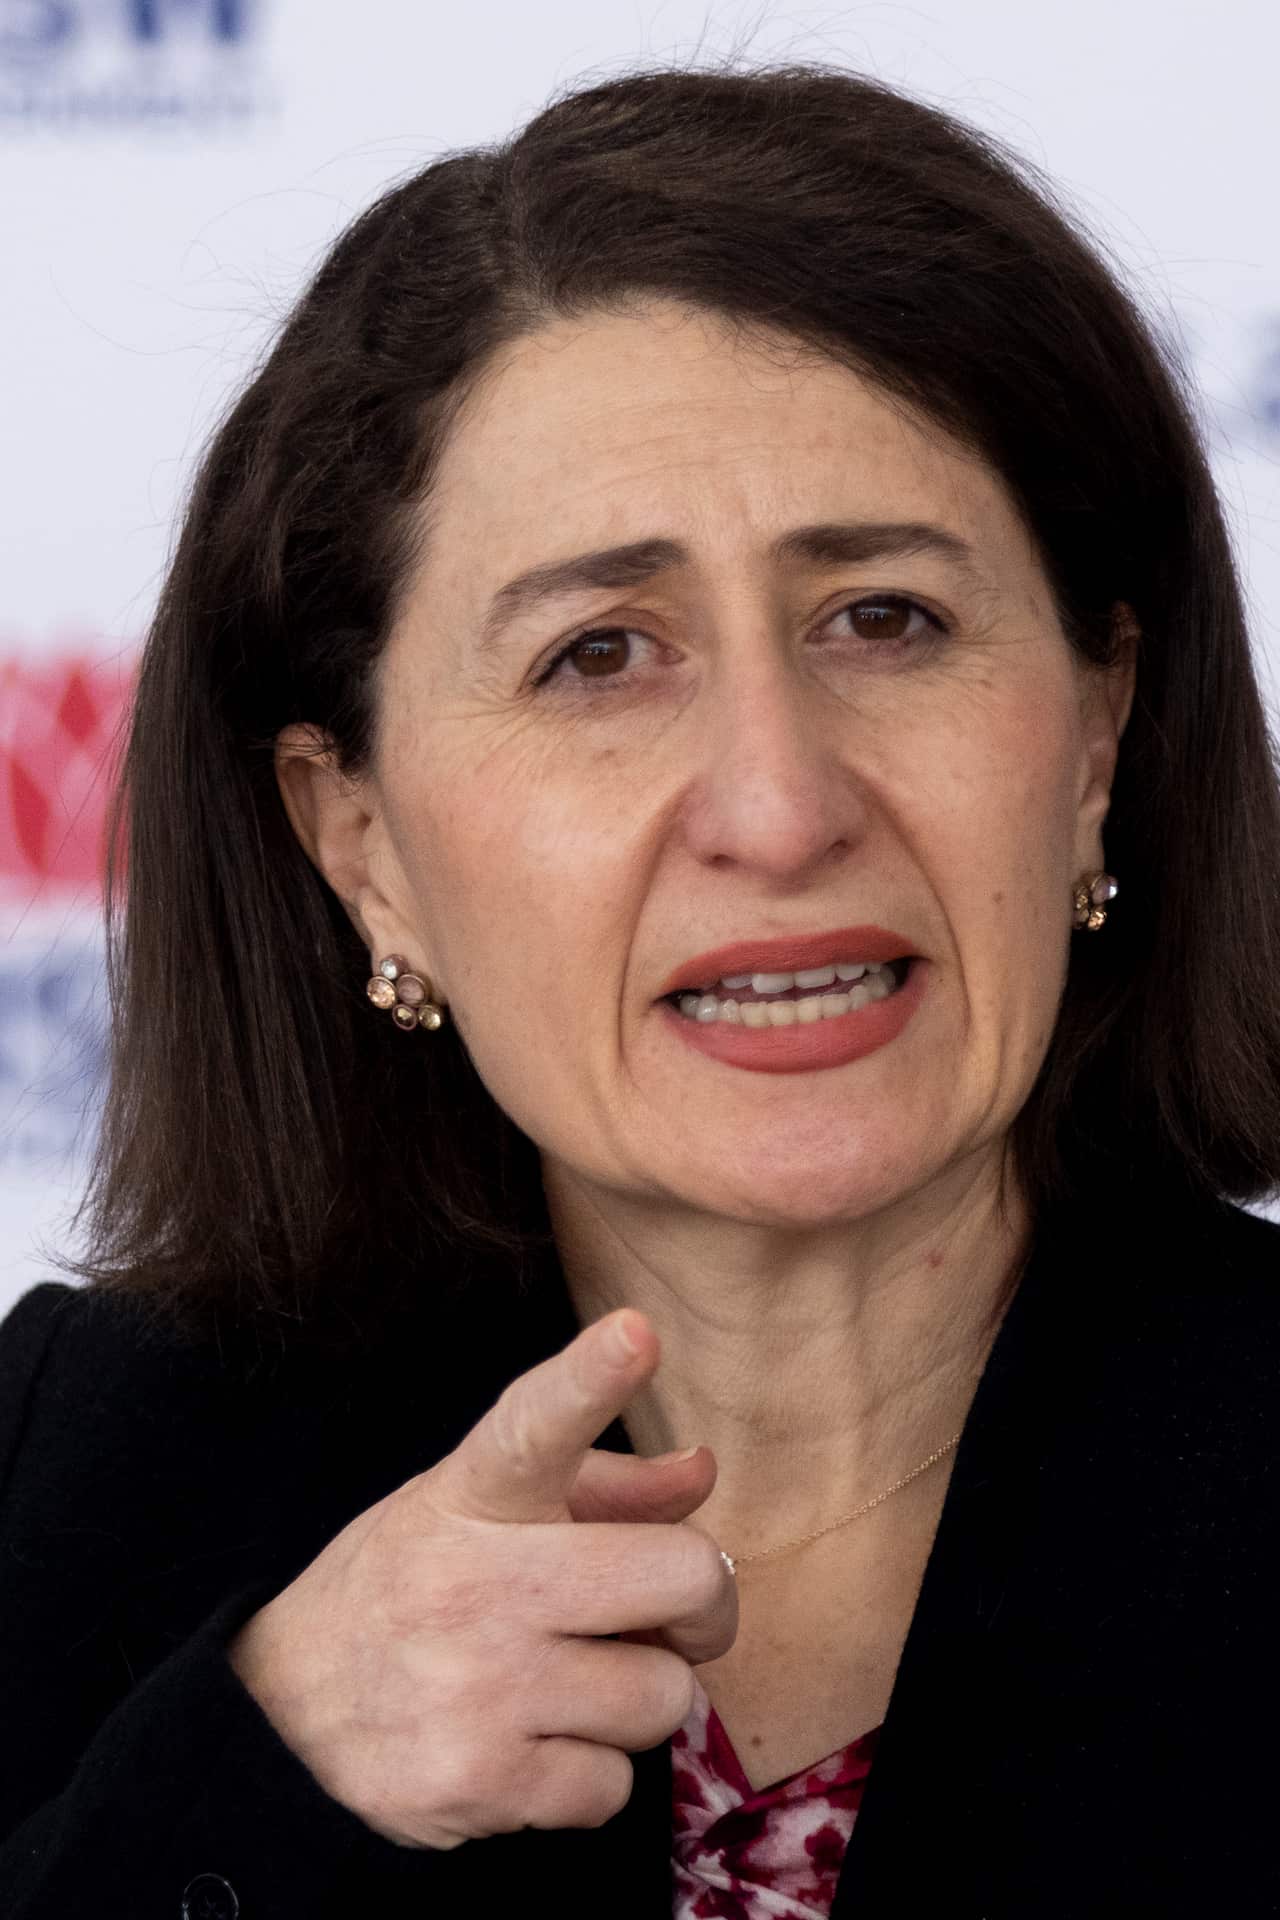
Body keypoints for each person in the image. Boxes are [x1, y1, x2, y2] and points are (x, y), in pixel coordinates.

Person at [3, 59, 1280, 1920]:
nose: (779, 807)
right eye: (599, 655)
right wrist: (262, 1771)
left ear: (1094, 739)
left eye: (886, 619)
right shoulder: (77, 1478)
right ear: (360, 843)